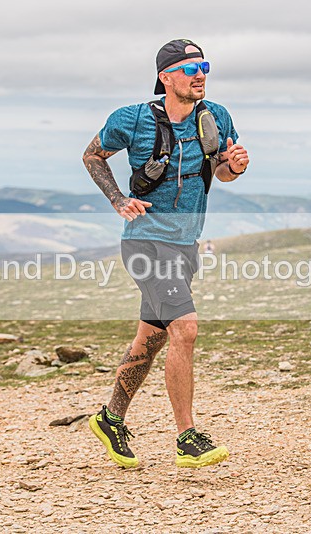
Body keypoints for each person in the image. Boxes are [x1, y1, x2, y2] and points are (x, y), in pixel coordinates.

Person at [82, 38, 249, 469]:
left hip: (185, 243)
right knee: (185, 329)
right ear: (166, 77)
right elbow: (93, 155)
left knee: (153, 336)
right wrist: (119, 199)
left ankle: (110, 418)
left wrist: (235, 166)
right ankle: (186, 437)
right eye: (191, 69)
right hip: (144, 241)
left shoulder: (216, 118)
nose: (200, 75)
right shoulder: (132, 119)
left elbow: (222, 174)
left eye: (204, 67)